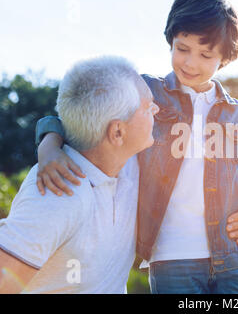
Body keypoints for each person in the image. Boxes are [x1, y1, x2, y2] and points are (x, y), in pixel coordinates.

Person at [35, 0, 238, 294]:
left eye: (205, 55)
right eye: (182, 49)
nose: (190, 62)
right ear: (171, 40)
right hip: (172, 259)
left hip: (237, 259)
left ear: (225, 57)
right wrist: (49, 146)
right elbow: (78, 115)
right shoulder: (145, 93)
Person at [0, 56, 160, 293]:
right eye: (148, 108)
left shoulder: (129, 165)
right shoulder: (56, 193)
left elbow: (57, 122)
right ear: (117, 132)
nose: (157, 109)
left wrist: (48, 140)